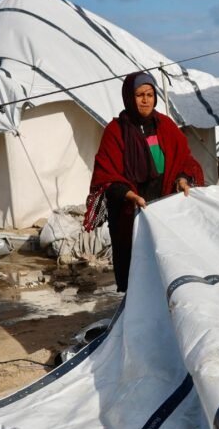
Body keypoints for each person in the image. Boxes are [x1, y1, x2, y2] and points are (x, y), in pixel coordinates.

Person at [84, 71, 204, 291]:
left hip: (164, 208)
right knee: (136, 270)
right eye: (140, 95)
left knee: (166, 265)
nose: (146, 100)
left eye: (150, 94)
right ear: (129, 97)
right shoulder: (116, 131)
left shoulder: (165, 125)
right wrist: (129, 195)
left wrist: (182, 179)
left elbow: (185, 160)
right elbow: (106, 175)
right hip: (130, 211)